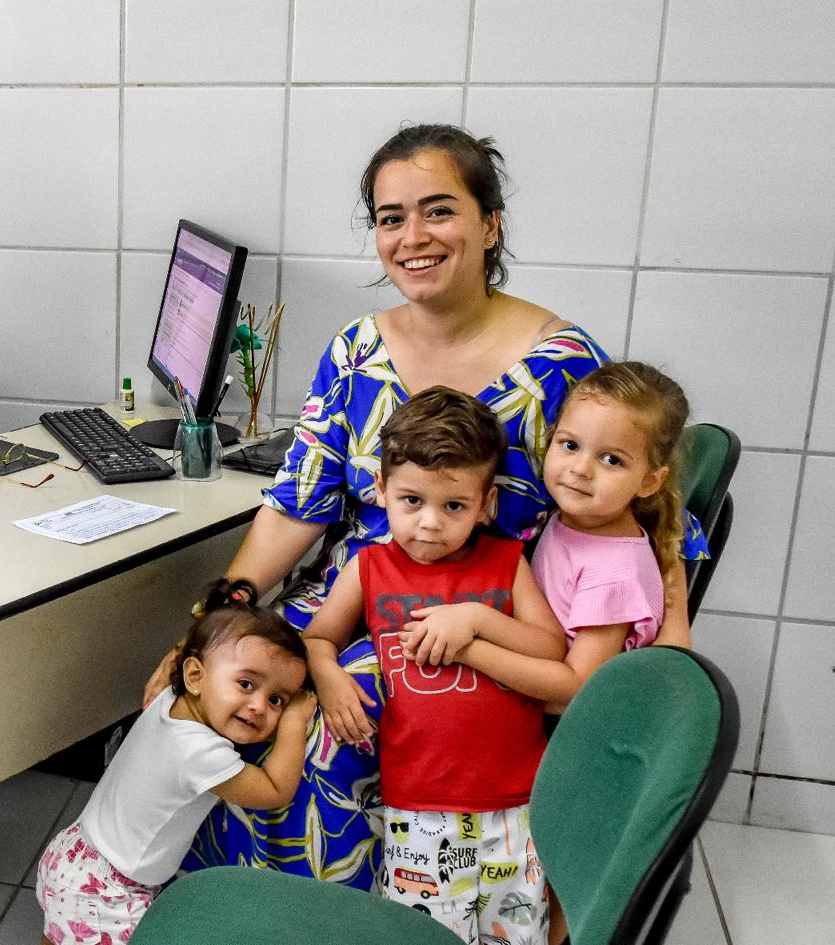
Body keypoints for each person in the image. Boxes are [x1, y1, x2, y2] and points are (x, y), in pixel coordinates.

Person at [145, 123, 707, 889]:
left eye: (439, 210)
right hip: (351, 592)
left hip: (480, 613)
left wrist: (670, 624)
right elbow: (298, 501)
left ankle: (334, 918)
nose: (413, 236)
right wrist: (224, 611)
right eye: (390, 217)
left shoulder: (561, 365)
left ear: (489, 224)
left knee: (298, 735)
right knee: (203, 693)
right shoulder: (354, 350)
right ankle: (197, 905)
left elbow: (639, 511)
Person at [304, 388, 562, 942]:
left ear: (487, 504)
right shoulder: (370, 568)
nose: (429, 524)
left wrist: (476, 619)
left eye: (454, 506)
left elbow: (550, 650)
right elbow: (317, 638)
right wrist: (329, 680)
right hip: (419, 807)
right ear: (381, 491)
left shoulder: (506, 562)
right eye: (411, 501)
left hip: (516, 803)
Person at [36, 580, 315, 945]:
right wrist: (294, 720)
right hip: (107, 891)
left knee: (62, 935)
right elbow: (275, 790)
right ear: (196, 676)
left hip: (75, 854)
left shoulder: (170, 698)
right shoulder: (200, 753)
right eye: (246, 684)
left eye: (278, 699)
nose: (260, 706)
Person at [431, 362, 689, 729]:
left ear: (649, 481)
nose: (581, 469)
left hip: (562, 735)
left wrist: (469, 648)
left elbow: (573, 688)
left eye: (611, 459)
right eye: (570, 445)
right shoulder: (578, 517)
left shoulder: (613, 574)